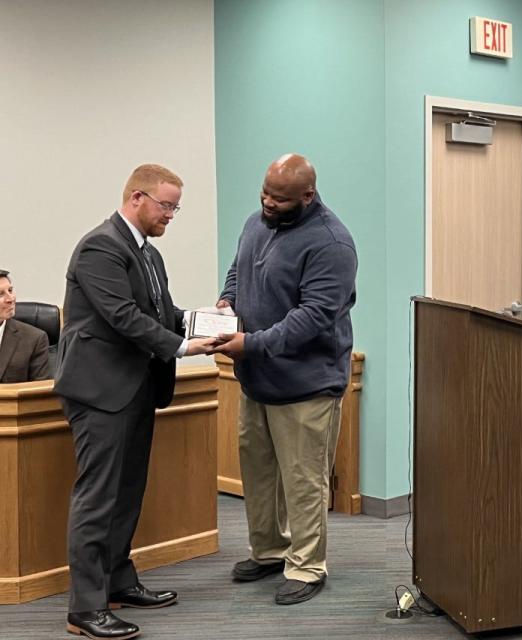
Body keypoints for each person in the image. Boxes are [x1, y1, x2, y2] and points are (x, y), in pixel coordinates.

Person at [55, 165, 216, 640]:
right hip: (100, 391)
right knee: (97, 497)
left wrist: (206, 320)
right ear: (137, 198)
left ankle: (118, 582)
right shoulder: (100, 246)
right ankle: (84, 609)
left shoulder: (148, 254)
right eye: (167, 205)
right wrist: (183, 347)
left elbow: (163, 313)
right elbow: (123, 317)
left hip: (136, 387)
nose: (172, 215)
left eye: (176, 207)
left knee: (127, 491)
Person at [215, 153, 357, 606]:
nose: (268, 203)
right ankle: (270, 551)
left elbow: (312, 317)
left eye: (279, 198)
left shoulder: (332, 243)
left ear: (307, 195)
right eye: (265, 192)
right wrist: (226, 300)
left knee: (303, 479)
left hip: (307, 385)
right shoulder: (256, 222)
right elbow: (239, 267)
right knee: (258, 474)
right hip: (257, 379)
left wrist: (250, 343)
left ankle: (307, 565)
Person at [0, 269, 51, 382]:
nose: (11, 299)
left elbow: (39, 393)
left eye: (10, 290)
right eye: (1, 294)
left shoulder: (34, 339)